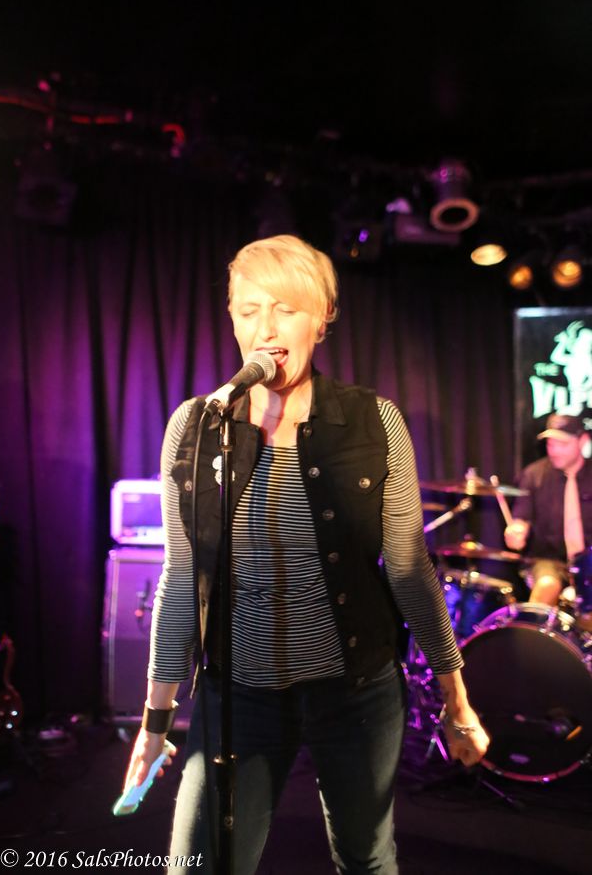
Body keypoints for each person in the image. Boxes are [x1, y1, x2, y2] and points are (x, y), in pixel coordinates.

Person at [122, 234, 489, 874]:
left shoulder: (374, 421)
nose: (265, 328)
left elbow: (409, 570)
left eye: (285, 309)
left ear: (321, 319)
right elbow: (182, 579)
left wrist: (456, 702)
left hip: (355, 691)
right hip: (239, 694)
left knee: (366, 860)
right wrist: (155, 721)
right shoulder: (197, 425)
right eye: (248, 310)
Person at [504, 413, 592, 606]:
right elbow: (521, 518)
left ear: (583, 441)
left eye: (563, 444)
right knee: (547, 585)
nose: (555, 451)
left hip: (588, 561)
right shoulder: (533, 475)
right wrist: (517, 532)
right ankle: (535, 624)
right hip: (547, 560)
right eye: (551, 444)